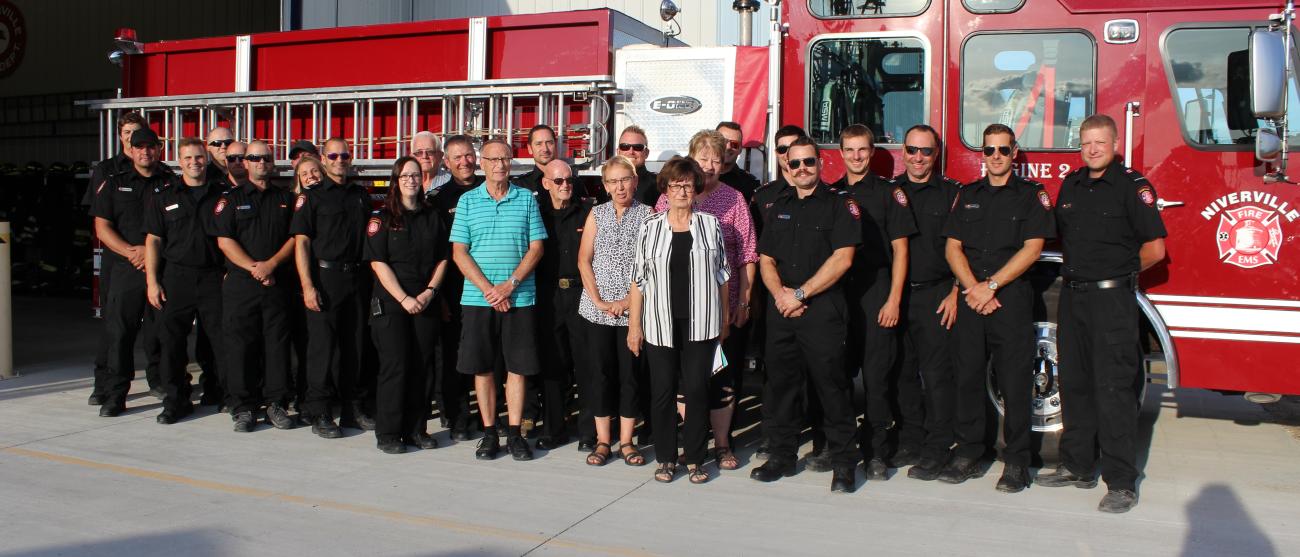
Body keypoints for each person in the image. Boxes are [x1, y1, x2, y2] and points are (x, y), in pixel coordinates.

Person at [1036, 114, 1167, 513]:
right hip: (1074, 298)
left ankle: (1121, 482)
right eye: (1086, 143)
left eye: (1100, 143)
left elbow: (1155, 250)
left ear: (1114, 146)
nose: (1092, 149)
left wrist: (1117, 275)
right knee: (1074, 384)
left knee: (1113, 391)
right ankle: (1077, 467)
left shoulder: (1132, 187)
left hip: (1112, 301)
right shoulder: (1071, 185)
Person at [941, 124, 1055, 492]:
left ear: (1015, 152)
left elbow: (1033, 248)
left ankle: (1017, 462)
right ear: (983, 154)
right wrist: (973, 288)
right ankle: (970, 453)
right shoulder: (969, 195)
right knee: (968, 377)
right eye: (989, 151)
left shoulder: (1030, 195)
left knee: (1014, 382)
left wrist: (990, 286)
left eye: (1003, 150)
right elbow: (952, 247)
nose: (996, 157)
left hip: (1010, 299)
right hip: (973, 297)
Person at [749, 136, 860, 493]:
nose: (801, 169)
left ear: (821, 163)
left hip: (821, 308)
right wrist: (780, 294)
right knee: (781, 387)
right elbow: (766, 259)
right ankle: (781, 456)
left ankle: (843, 463)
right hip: (782, 308)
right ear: (787, 167)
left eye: (808, 162)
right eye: (794, 163)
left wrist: (799, 293)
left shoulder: (839, 205)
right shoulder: (778, 205)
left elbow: (843, 259)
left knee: (832, 388)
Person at [653, 130, 757, 472]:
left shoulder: (734, 199)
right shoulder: (668, 201)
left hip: (721, 310)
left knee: (721, 378)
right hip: (673, 313)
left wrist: (741, 302)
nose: (710, 165)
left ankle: (723, 444)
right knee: (686, 382)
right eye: (703, 158)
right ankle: (690, 443)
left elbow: (746, 254)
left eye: (716, 158)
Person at [627, 157, 731, 484]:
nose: (682, 190)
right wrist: (634, 326)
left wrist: (725, 318)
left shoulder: (711, 225)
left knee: (698, 390)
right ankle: (666, 458)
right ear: (666, 190)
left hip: (701, 321)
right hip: (659, 322)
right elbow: (638, 279)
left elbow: (722, 276)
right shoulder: (650, 227)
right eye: (675, 185)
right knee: (662, 392)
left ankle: (696, 459)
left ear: (696, 188)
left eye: (687, 184)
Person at [450, 138, 547, 461]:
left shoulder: (527, 199)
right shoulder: (467, 201)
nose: (500, 165)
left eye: (505, 159)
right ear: (482, 163)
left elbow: (537, 248)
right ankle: (490, 433)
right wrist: (490, 289)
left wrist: (510, 285)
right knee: (483, 369)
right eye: (493, 159)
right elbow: (459, 252)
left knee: (517, 369)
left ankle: (516, 434)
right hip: (478, 300)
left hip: (520, 298)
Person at [832, 124, 916, 479]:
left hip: (876, 290)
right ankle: (836, 447)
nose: (856, 156)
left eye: (862, 150)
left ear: (872, 151)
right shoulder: (829, 193)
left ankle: (877, 454)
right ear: (840, 153)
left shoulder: (888, 193)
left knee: (877, 376)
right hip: (837, 292)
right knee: (836, 374)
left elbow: (901, 250)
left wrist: (894, 298)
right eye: (849, 150)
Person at [365, 156, 451, 454]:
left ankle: (417, 430)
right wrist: (404, 299)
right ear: (396, 180)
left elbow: (443, 258)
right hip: (392, 303)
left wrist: (428, 293)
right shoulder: (383, 218)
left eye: (416, 175)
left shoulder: (431, 215)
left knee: (422, 367)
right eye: (405, 176)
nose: (411, 180)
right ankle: (388, 433)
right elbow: (378, 263)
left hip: (425, 301)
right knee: (396, 366)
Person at [892, 124, 963, 481]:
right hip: (898, 297)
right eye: (912, 150)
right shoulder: (891, 192)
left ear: (937, 155)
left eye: (926, 151)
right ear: (902, 152)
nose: (918, 158)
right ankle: (910, 440)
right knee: (903, 372)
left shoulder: (952, 194)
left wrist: (956, 291)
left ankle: (937, 448)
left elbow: (964, 248)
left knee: (936, 376)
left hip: (937, 295)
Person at [291, 137, 375, 438]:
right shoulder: (312, 197)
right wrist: (308, 285)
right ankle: (321, 413)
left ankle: (353, 410)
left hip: (357, 279)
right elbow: (301, 244)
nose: (340, 160)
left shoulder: (360, 195)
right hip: (325, 279)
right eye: (334, 155)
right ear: (323, 160)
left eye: (345, 155)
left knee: (355, 347)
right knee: (322, 350)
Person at [213, 140, 297, 432]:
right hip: (242, 284)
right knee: (240, 347)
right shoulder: (231, 199)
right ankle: (243, 407)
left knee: (277, 347)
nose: (261, 162)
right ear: (244, 163)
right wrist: (254, 268)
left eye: (266, 158)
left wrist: (271, 265)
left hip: (276, 283)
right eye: (255, 158)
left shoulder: (285, 199)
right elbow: (224, 240)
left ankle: (276, 404)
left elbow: (294, 238)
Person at [89, 127, 172, 418]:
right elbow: (102, 226)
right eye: (140, 147)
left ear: (159, 149)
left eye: (151, 147)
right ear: (131, 150)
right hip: (126, 268)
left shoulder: (171, 183)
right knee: (120, 334)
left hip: (159, 269)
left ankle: (163, 384)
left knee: (160, 333)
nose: (145, 152)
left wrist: (149, 255)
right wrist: (131, 252)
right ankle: (115, 395)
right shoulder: (114, 182)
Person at [577, 155, 653, 467]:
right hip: (596, 311)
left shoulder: (649, 215)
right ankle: (603, 441)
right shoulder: (596, 214)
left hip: (632, 310)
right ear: (605, 186)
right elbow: (584, 260)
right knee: (600, 375)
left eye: (625, 179)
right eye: (613, 181)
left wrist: (625, 303)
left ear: (635, 182)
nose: (620, 186)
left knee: (630, 377)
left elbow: (651, 266)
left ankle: (626, 441)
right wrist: (597, 300)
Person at [143, 137, 226, 425]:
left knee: (217, 339)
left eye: (199, 157)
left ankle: (217, 392)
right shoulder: (164, 196)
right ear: (180, 162)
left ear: (207, 159)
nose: (194, 163)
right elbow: (153, 241)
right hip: (176, 277)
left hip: (213, 277)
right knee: (172, 343)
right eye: (188, 158)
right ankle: (176, 401)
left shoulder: (222, 194)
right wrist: (152, 282)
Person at [747, 124, 806, 462]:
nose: (787, 157)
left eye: (793, 150)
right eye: (781, 150)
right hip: (773, 297)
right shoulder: (764, 197)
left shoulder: (820, 194)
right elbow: (757, 253)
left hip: (807, 297)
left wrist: (799, 295)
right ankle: (773, 435)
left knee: (811, 371)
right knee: (776, 373)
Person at [533, 159, 596, 450]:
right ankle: (554, 429)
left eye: (568, 180)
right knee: (553, 366)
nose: (565, 185)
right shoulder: (536, 215)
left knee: (586, 364)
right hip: (549, 297)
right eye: (558, 181)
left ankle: (587, 433)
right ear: (546, 183)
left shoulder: (588, 212)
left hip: (582, 293)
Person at [429, 134, 483, 441]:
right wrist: (440, 297)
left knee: (486, 354)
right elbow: (437, 251)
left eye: (468, 155)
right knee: (452, 355)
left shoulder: (489, 189)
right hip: (453, 288)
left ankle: (488, 414)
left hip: (486, 287)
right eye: (457, 157)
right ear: (446, 163)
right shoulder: (438, 199)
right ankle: (457, 415)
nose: (464, 162)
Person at [716, 121, 761, 201]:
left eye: (734, 144)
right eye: (723, 141)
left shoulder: (750, 184)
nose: (728, 147)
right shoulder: (698, 176)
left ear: (740, 149)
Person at [618, 125, 659, 206]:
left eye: (638, 147)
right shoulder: (606, 184)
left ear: (646, 153)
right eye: (625, 146)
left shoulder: (659, 184)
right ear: (618, 151)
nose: (631, 151)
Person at [515, 125, 559, 193]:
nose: (545, 149)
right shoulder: (519, 186)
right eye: (539, 144)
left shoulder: (572, 182)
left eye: (549, 143)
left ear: (555, 145)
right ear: (530, 148)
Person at [411, 131, 450, 195]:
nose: (424, 156)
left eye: (430, 152)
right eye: (419, 152)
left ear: (440, 155)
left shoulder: (451, 182)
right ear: (412, 157)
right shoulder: (403, 184)